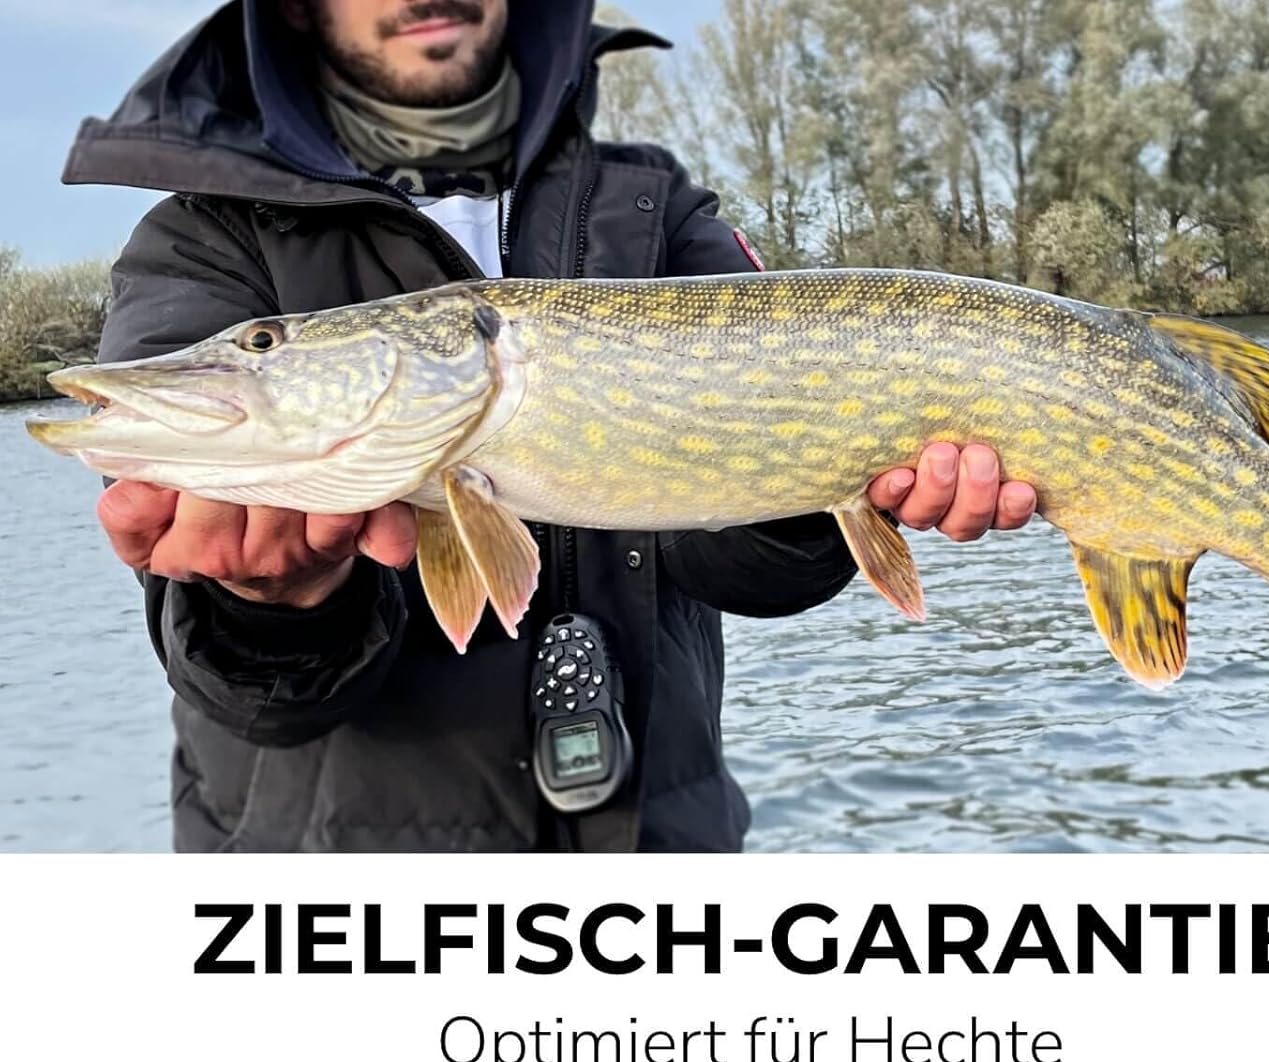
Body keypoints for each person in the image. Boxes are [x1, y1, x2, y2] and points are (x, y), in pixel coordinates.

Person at [64, 0, 1039, 852]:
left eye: (262, 349)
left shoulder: (650, 205)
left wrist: (831, 473)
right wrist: (268, 606)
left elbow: (749, 566)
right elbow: (243, 690)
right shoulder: (204, 241)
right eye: (265, 346)